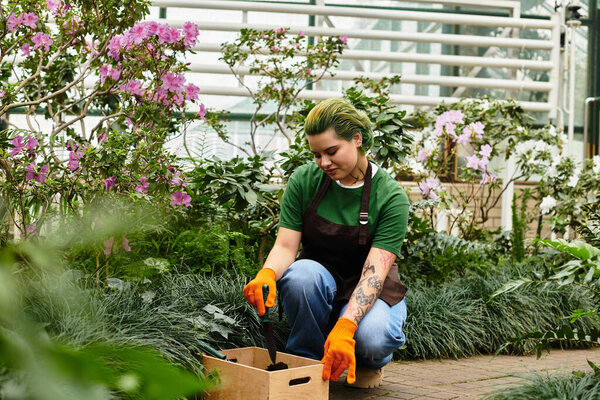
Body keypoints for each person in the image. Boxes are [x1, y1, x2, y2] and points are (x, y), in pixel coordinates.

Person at [243, 98, 409, 388]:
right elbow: (285, 247)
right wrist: (267, 273)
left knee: (372, 338)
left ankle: (367, 360)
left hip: (371, 284)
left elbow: (375, 273)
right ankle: (305, 363)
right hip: (320, 280)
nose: (324, 163)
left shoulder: (391, 196)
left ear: (357, 138)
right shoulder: (305, 181)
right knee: (301, 276)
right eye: (317, 155)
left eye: (331, 152)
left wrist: (347, 324)